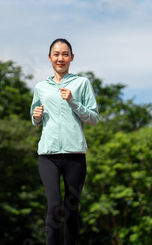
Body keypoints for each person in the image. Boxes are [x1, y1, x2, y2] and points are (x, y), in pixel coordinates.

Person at [30, 38, 99, 245]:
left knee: (71, 211)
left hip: (75, 155)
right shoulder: (41, 87)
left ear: (72, 57)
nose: (61, 58)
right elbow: (35, 120)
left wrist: (73, 101)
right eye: (56, 54)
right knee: (54, 206)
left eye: (65, 54)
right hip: (48, 156)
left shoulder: (82, 83)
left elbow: (94, 118)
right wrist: (36, 116)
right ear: (50, 57)